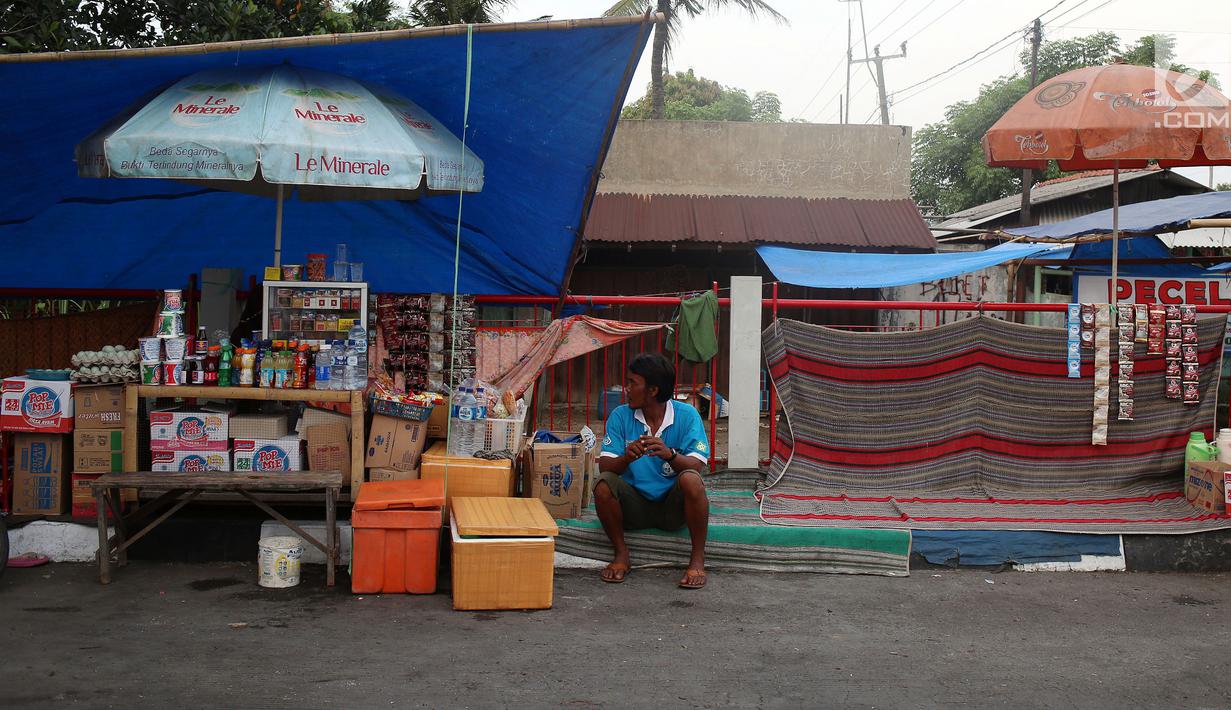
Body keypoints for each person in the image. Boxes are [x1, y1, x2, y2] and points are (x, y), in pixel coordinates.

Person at [595, 352, 710, 589]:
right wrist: (626, 458)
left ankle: (697, 558)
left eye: (632, 383)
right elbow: (605, 466)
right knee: (604, 484)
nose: (626, 388)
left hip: (673, 509)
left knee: (691, 480)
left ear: (653, 390)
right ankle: (621, 554)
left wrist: (671, 455)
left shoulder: (686, 415)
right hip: (634, 508)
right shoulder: (620, 416)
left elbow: (697, 465)